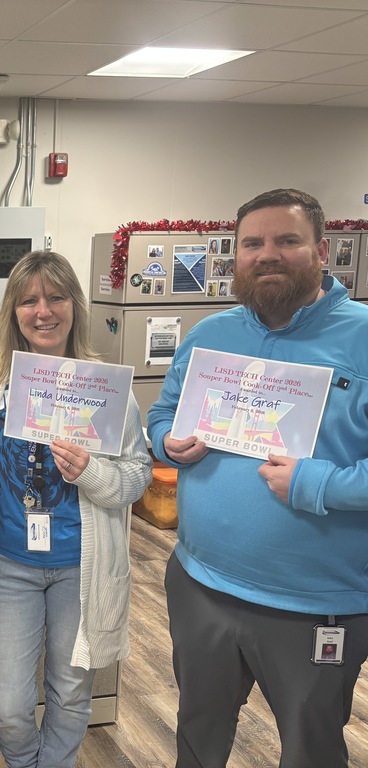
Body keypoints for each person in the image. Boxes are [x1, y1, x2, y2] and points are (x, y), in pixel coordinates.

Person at [147, 188, 368, 767]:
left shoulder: (363, 338)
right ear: (235, 256)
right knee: (198, 731)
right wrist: (166, 442)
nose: (267, 254)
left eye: (286, 240)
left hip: (314, 602)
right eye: (253, 243)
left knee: (310, 746)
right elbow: (162, 414)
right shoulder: (209, 335)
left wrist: (315, 485)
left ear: (322, 250)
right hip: (201, 584)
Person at [0, 250, 152, 768]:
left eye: (56, 297)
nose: (43, 311)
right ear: (12, 312)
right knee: (9, 704)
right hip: (10, 565)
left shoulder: (105, 389)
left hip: (79, 570)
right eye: (28, 300)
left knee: (70, 693)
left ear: (74, 306)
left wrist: (89, 472)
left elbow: (136, 477)